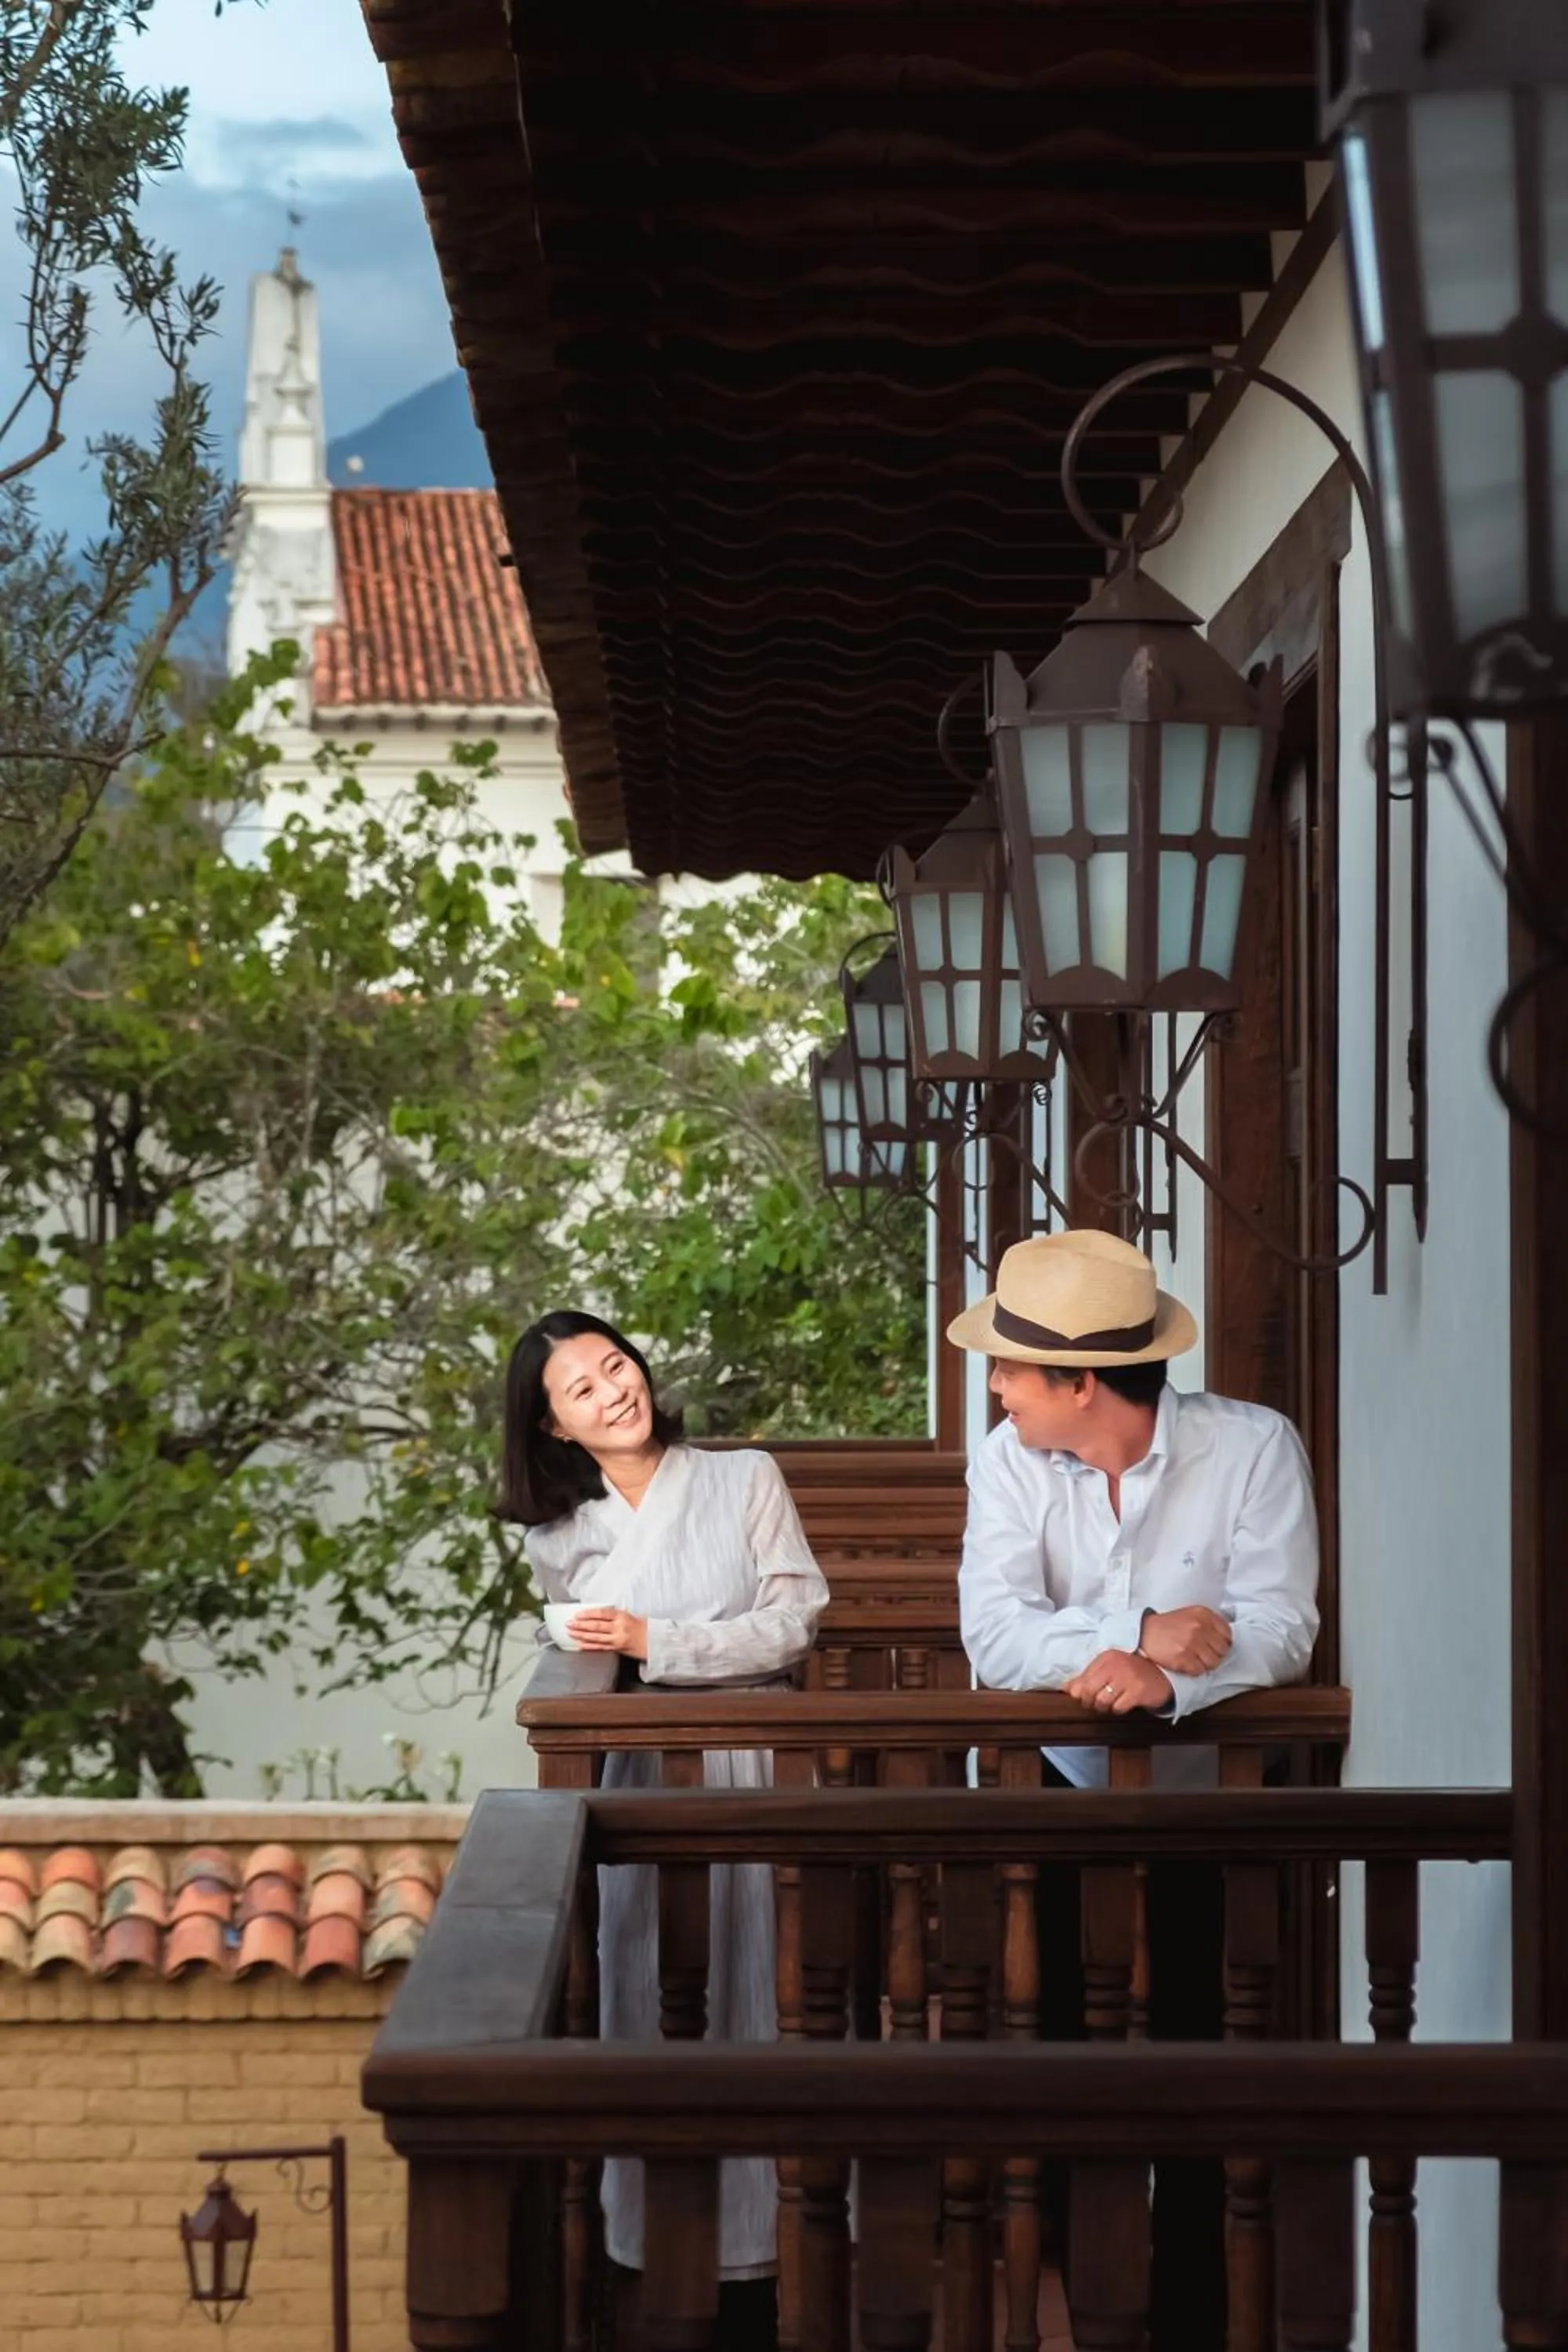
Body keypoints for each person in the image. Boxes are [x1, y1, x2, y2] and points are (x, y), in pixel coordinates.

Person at [946, 1226, 1319, 2349]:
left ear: (1086, 1383)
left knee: (1211, 2064)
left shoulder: (1254, 1448)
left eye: (1012, 1365)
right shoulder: (1006, 1458)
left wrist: (1160, 1683)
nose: (997, 1383)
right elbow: (992, 1636)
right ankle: (1070, 2313)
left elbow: (1282, 1629)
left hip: (1219, 1799)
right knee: (1051, 2057)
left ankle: (1196, 2318)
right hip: (1047, 1796)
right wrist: (1136, 1632)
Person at [499, 1308, 828, 2332]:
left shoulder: (745, 1478)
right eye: (583, 1390)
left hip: (765, 1763)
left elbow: (794, 1619)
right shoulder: (559, 1536)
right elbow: (581, 1662)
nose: (614, 1391)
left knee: (778, 2002)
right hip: (648, 1778)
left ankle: (792, 2247)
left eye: (616, 1365)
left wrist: (661, 1639)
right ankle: (666, 2250)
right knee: (664, 1991)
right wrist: (627, 1647)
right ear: (556, 1429)